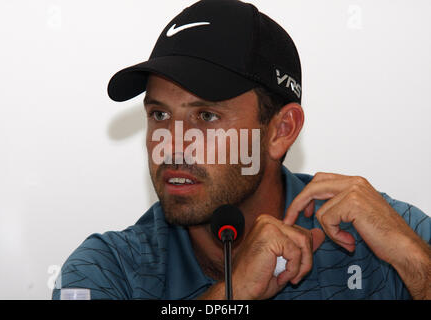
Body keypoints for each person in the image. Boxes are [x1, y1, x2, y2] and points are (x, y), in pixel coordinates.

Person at [52, 0, 430, 300]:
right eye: (160, 113)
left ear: (281, 131)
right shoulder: (109, 267)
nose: (173, 143)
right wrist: (233, 294)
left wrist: (416, 262)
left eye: (206, 115)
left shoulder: (381, 233)